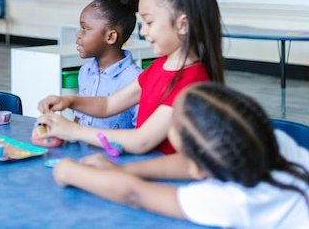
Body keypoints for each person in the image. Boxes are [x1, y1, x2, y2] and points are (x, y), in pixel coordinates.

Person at [52, 83, 309, 228]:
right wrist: (125, 170)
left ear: (198, 168)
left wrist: (68, 170)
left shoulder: (229, 201)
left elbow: (135, 194)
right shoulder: (271, 141)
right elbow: (189, 164)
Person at [37, 0, 224, 154]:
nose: (143, 32)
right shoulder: (160, 66)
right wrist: (69, 101)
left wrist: (74, 131)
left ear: (183, 24)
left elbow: (141, 140)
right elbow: (109, 104)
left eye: (149, 23)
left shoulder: (192, 81)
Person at [71, 0, 143, 129]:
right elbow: (79, 118)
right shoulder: (85, 72)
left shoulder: (135, 80)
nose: (78, 34)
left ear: (110, 36)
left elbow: (140, 132)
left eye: (85, 28)